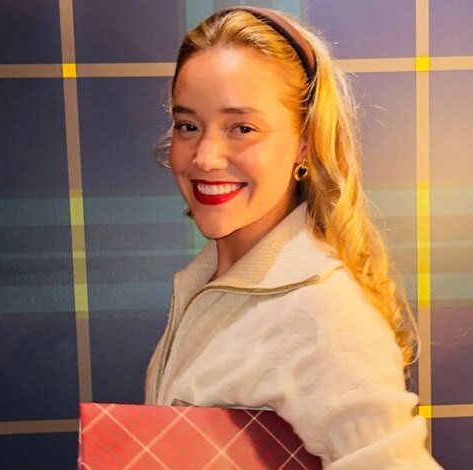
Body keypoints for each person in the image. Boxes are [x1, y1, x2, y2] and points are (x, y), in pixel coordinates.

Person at [145, 6, 442, 468]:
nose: (205, 156)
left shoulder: (324, 315)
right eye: (188, 126)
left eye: (242, 128)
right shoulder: (207, 282)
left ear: (305, 142)